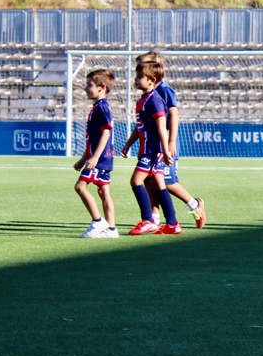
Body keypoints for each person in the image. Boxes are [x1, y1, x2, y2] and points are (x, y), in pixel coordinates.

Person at [135, 52, 206, 228]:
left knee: (168, 181)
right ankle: (154, 217)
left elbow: (173, 115)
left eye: (143, 67)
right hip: (153, 144)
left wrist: (171, 142)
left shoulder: (165, 90)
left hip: (165, 143)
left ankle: (194, 204)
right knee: (150, 179)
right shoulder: (147, 93)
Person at [121, 62, 179, 235]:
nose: (136, 79)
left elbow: (162, 127)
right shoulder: (143, 100)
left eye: (140, 77)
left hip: (152, 151)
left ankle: (148, 220)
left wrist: (167, 150)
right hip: (149, 150)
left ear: (152, 80)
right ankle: (173, 223)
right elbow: (140, 127)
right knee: (159, 184)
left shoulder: (154, 100)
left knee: (136, 181)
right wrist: (128, 144)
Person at [73, 68, 118, 238]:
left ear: (101, 87)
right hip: (104, 158)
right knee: (104, 191)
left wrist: (94, 157)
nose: (85, 88)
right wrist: (83, 159)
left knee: (80, 186)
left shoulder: (102, 108)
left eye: (89, 85)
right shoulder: (98, 107)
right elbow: (93, 139)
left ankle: (98, 222)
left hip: (100, 158)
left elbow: (106, 133)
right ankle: (112, 229)